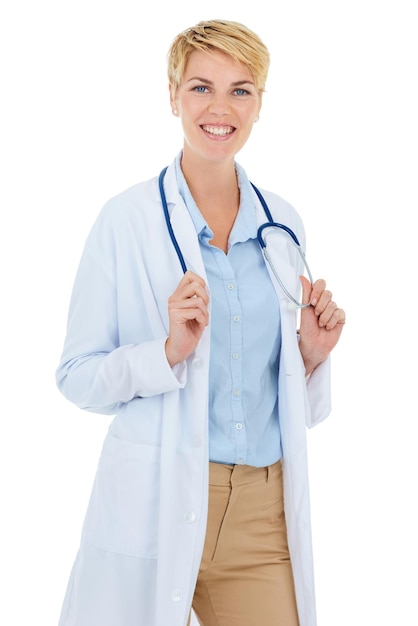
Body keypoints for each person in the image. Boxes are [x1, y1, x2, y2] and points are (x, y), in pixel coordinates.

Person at [56, 19, 345, 626]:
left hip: (262, 518)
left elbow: (296, 406)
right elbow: (76, 376)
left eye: (241, 90)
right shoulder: (125, 220)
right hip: (153, 501)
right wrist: (165, 352)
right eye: (200, 88)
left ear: (261, 104)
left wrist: (310, 355)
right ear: (171, 95)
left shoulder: (282, 224)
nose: (220, 108)